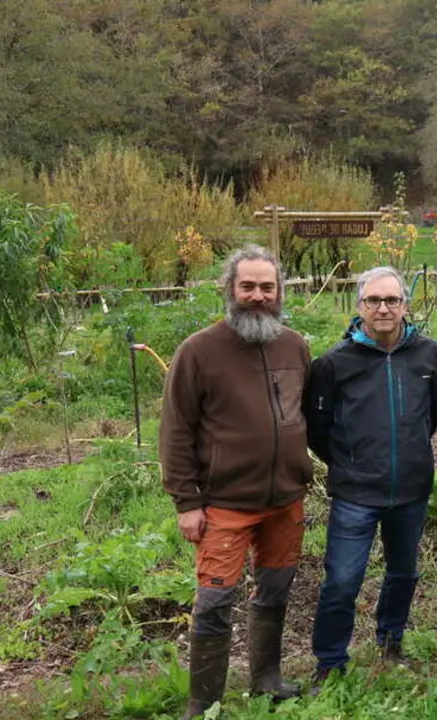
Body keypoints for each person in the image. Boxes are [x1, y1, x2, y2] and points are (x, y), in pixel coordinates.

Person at [159, 244, 311, 717]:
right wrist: (187, 501)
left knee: (276, 588)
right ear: (230, 289)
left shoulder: (295, 345)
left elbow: (305, 415)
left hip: (285, 499)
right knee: (215, 600)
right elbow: (176, 430)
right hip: (224, 502)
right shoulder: (199, 351)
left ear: (279, 291)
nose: (258, 296)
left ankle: (267, 678)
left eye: (268, 287)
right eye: (248, 286)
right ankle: (203, 701)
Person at [304, 266, 437, 681]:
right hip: (355, 493)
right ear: (359, 306)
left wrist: (412, 454)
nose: (383, 308)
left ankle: (390, 641)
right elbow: (318, 429)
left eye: (392, 300)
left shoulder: (428, 354)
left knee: (404, 572)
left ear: (405, 305)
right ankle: (330, 663)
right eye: (373, 300)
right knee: (343, 582)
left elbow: (433, 412)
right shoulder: (334, 362)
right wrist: (350, 462)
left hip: (411, 489)